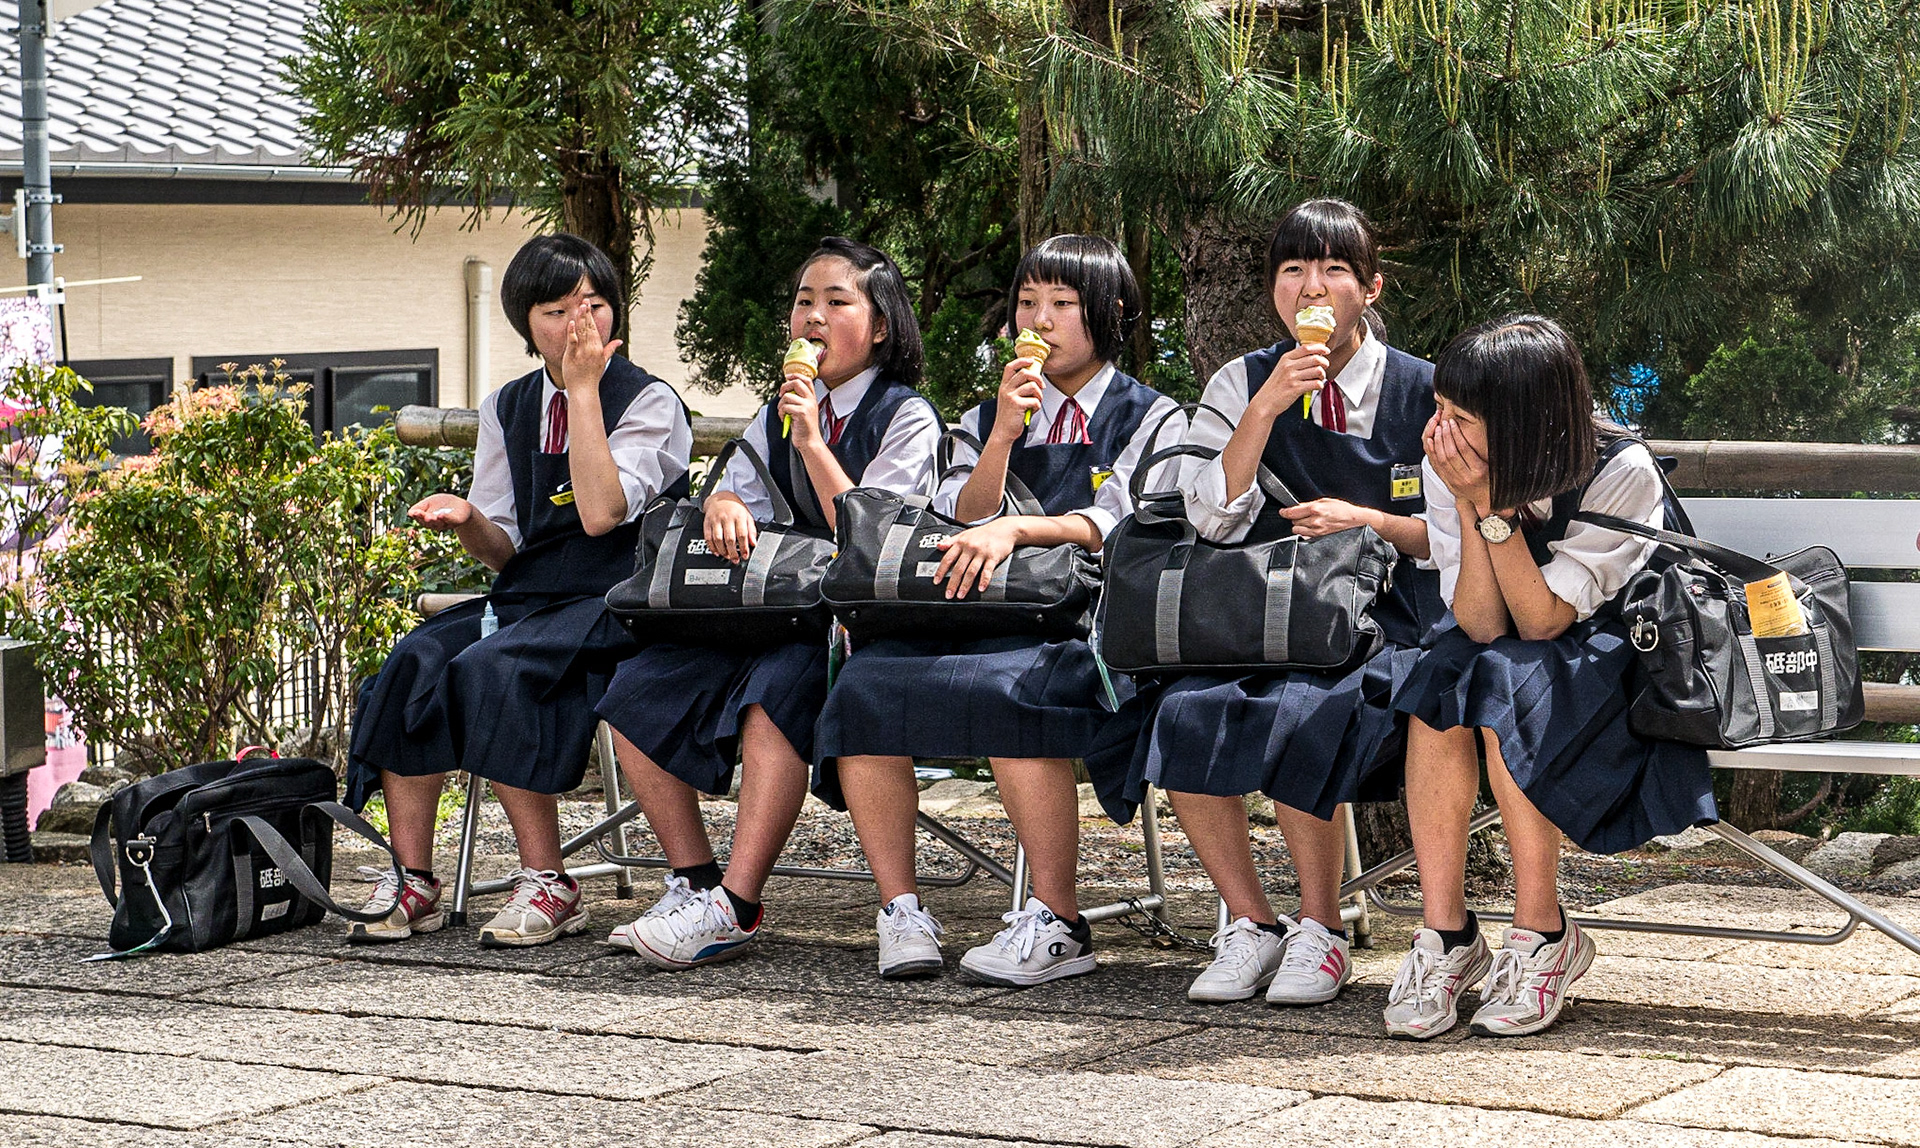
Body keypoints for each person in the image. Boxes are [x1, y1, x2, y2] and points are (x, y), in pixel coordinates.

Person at [1086, 198, 1443, 1006]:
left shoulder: (1424, 389)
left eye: (1333, 270)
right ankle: (1250, 922)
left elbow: (1457, 533)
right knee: (1183, 709)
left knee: (1303, 710)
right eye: (1293, 270)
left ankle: (1321, 928)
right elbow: (1209, 517)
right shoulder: (1241, 380)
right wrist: (1263, 409)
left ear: (1371, 287)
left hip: (1387, 618)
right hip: (1266, 610)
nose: (1311, 286)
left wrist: (1371, 520)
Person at [817, 234, 1184, 984]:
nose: (1039, 322)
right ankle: (903, 910)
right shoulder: (984, 414)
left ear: (1112, 314)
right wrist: (1005, 436)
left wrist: (1019, 527)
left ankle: (1059, 919)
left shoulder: (1154, 416)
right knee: (865, 686)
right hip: (976, 605)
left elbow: (1127, 522)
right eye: (1026, 303)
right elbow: (956, 513)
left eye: (1061, 305)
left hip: (1086, 618)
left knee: (1016, 690)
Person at [597, 237, 943, 968]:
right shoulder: (779, 407)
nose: (812, 318)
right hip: (767, 608)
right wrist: (722, 500)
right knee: (635, 687)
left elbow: (873, 537)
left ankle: (738, 904)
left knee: (776, 690)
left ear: (880, 325)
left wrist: (814, 439)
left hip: (852, 622)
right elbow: (738, 483)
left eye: (836, 302)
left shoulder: (907, 415)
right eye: (802, 302)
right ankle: (695, 880)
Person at [345, 233, 693, 947]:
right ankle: (413, 880)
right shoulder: (507, 406)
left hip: (621, 599)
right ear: (525, 324)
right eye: (557, 310)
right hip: (532, 596)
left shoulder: (651, 402)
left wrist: (587, 391)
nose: (579, 325)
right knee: (412, 662)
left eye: (593, 305)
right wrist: (469, 520)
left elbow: (601, 512)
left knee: (492, 668)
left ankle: (549, 881)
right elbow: (505, 549)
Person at [1384, 313, 1713, 1040]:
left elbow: (1543, 620)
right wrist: (1470, 501)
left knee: (1504, 688)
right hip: (1512, 641)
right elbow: (1478, 622)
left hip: (1618, 655)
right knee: (1443, 681)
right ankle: (1446, 936)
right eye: (1439, 409)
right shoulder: (1453, 464)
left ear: (1525, 422)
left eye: (1460, 417)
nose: (1441, 432)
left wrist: (1494, 505)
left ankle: (1542, 932)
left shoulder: (1619, 469)